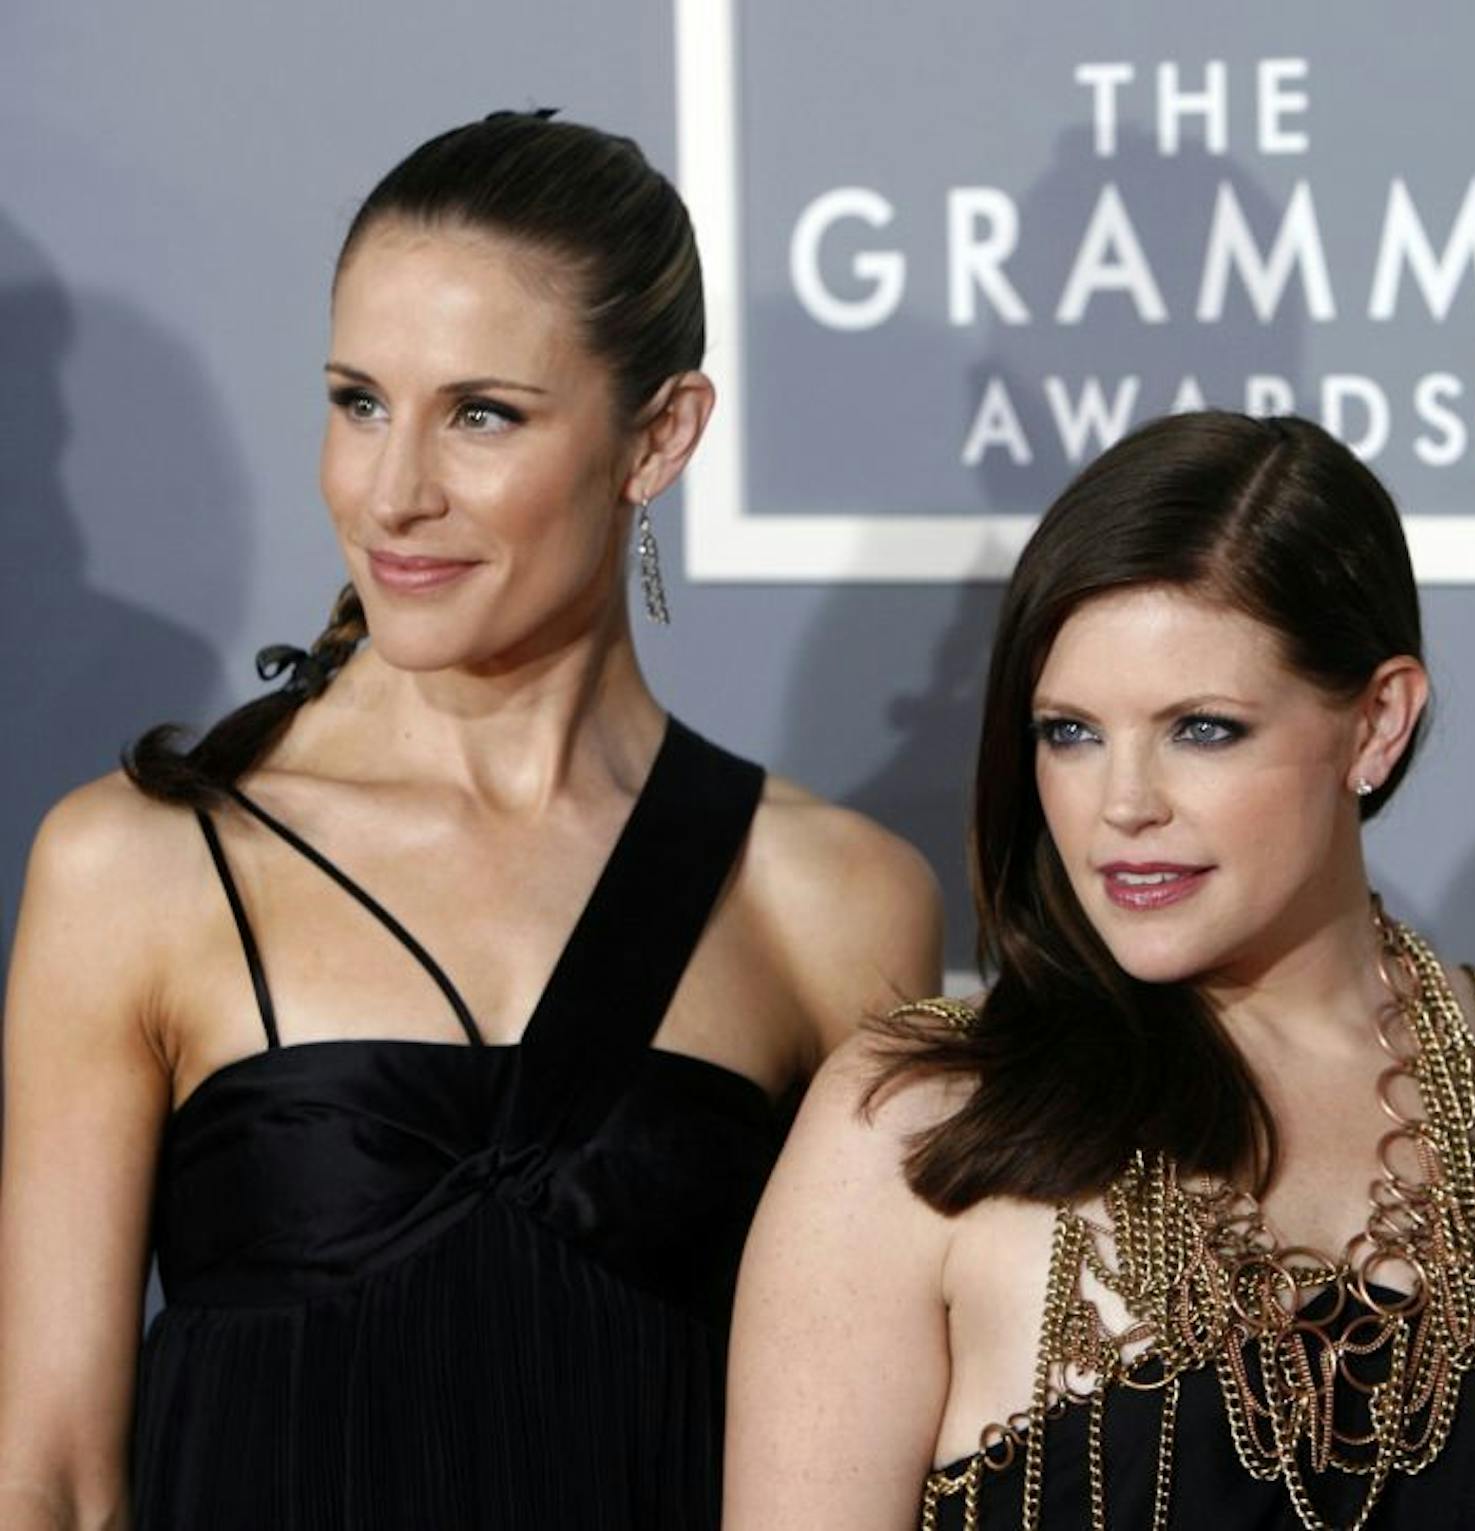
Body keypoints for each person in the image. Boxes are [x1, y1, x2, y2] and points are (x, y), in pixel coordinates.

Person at [0, 110, 941, 1530]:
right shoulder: (140, 862)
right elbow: (56, 1475)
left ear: (661, 434)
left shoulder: (835, 899)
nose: (394, 491)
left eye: (482, 413)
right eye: (359, 399)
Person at [723, 409, 1475, 1530]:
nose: (1122, 805)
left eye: (1201, 729)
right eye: (1069, 732)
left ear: (1376, 723)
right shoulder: (920, 1122)